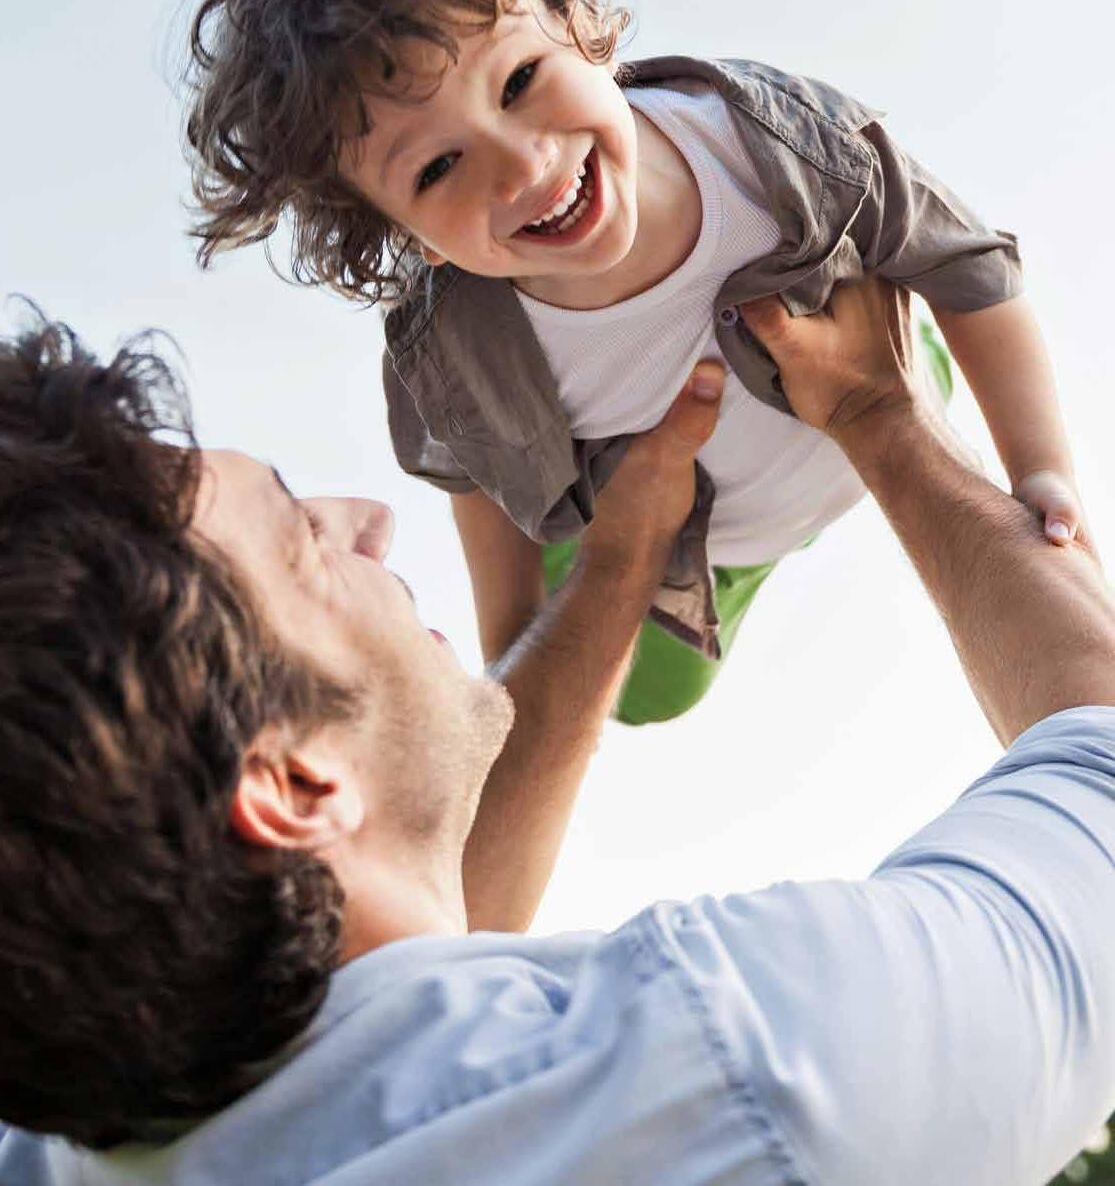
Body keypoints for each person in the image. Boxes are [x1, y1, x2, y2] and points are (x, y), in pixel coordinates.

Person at [1, 277, 1113, 1185]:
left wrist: (622, 560)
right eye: (303, 539)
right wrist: (878, 412)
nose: (370, 521)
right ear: (292, 786)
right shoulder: (741, 1073)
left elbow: (385, 956)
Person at [183, 0, 1086, 725]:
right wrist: (512, 651)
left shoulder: (769, 148)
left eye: (519, 81)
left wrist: (1039, 469)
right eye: (439, 166)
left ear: (579, 28)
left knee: (971, 451)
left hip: (878, 396)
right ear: (409, 235)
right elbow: (476, 478)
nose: (523, 165)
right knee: (647, 694)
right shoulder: (453, 353)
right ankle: (619, 564)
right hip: (710, 551)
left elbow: (969, 265)